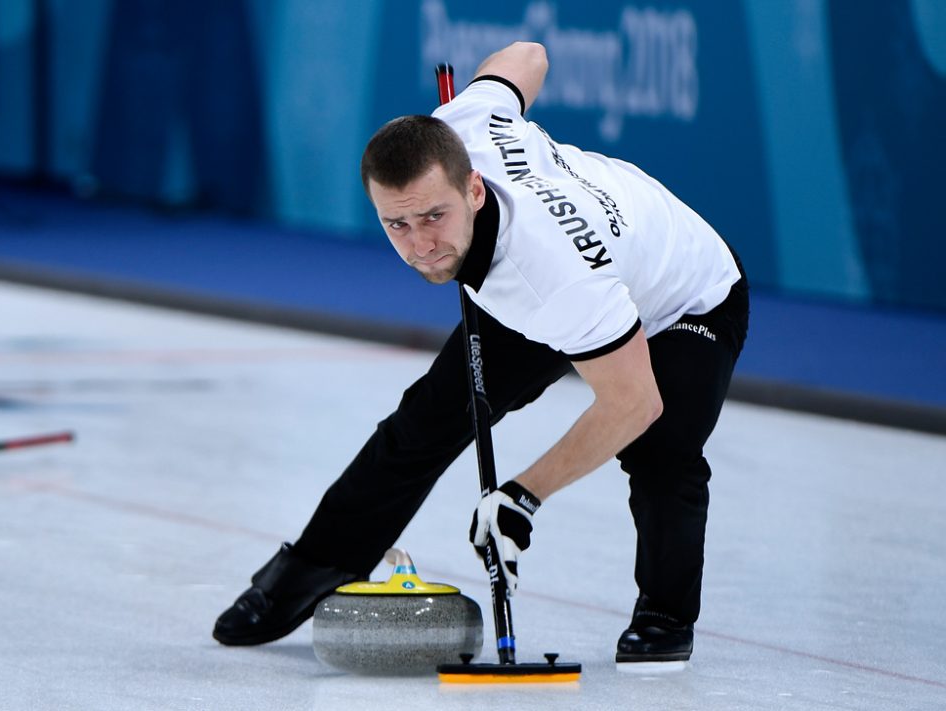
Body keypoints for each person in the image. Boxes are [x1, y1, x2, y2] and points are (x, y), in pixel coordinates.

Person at [213, 41, 748, 664]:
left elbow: (634, 403)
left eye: (434, 216)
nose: (420, 246)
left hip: (687, 294)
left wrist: (522, 496)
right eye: (398, 225)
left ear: (473, 189)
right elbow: (529, 54)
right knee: (429, 419)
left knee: (662, 454)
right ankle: (312, 568)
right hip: (540, 274)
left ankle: (664, 614)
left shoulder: (555, 278)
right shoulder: (463, 123)